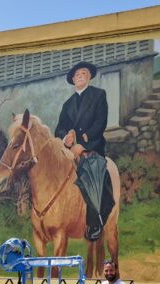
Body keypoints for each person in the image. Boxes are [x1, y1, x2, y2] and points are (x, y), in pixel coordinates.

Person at [55, 61, 113, 241]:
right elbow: (60, 128)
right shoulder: (67, 104)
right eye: (77, 74)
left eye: (83, 73)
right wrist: (66, 138)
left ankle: (94, 222)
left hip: (92, 147)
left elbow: (100, 123)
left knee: (94, 175)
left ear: (89, 77)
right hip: (70, 150)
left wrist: (84, 143)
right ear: (73, 79)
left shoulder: (98, 95)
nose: (80, 76)